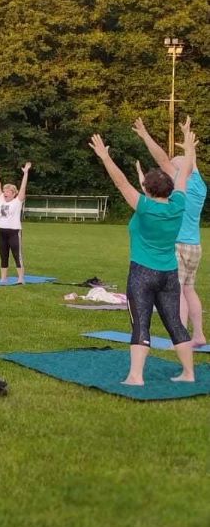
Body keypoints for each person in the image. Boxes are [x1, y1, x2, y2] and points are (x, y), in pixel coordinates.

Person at [90, 124, 196, 385]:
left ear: (147, 189)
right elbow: (183, 175)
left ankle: (136, 376)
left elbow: (121, 182)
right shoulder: (179, 204)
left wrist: (105, 156)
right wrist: (190, 147)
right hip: (169, 274)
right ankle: (189, 374)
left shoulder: (144, 206)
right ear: (169, 190)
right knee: (175, 324)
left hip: (142, 273)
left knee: (141, 324)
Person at [134, 117, 207, 347]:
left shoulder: (181, 179)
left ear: (181, 168)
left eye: (176, 165)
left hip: (178, 244)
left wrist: (145, 135)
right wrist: (188, 142)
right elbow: (185, 163)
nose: (171, 168)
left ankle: (182, 337)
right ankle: (199, 335)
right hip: (195, 245)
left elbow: (162, 159)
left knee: (179, 292)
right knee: (190, 289)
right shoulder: (200, 185)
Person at [0, 160, 31, 283]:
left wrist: (25, 173)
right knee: (3, 255)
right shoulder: (2, 199)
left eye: (8, 191)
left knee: (17, 256)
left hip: (14, 232)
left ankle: (20, 278)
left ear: (14, 194)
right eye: (5, 190)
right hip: (1, 232)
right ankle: (3, 278)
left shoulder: (17, 201)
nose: (5, 192)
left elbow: (23, 187)